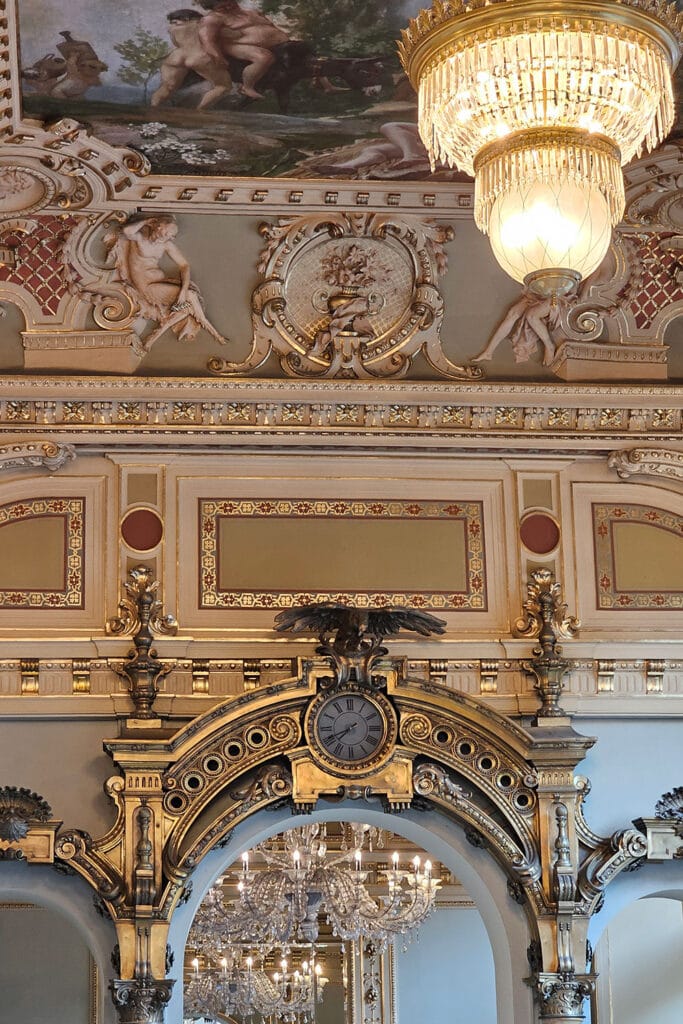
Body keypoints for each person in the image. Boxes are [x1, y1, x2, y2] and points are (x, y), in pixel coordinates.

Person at [107, 214, 226, 352]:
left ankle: (151, 340)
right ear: (157, 226)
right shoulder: (140, 238)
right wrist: (146, 221)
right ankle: (213, 331)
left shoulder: (165, 245)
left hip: (160, 283)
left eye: (169, 235)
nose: (165, 237)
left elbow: (184, 265)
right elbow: (127, 231)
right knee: (191, 296)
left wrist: (182, 291)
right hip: (148, 287)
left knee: (186, 306)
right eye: (164, 232)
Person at [193, 0, 290, 99]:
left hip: (277, 46)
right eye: (222, 7)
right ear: (212, 7)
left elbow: (271, 26)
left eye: (230, 4)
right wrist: (217, 57)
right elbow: (207, 41)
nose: (228, 8)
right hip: (234, 46)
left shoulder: (252, 12)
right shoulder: (211, 19)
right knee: (264, 57)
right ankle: (247, 87)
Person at [151, 10, 233, 110]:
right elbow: (233, 35)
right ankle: (200, 110)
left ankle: (153, 109)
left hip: (177, 55)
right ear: (190, 19)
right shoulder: (202, 24)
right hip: (199, 56)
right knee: (223, 86)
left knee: (167, 87)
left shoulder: (172, 29)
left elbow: (176, 43)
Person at [472, 288, 562, 366]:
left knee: (531, 316)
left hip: (556, 294)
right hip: (539, 293)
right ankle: (489, 352)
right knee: (513, 313)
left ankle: (549, 346)